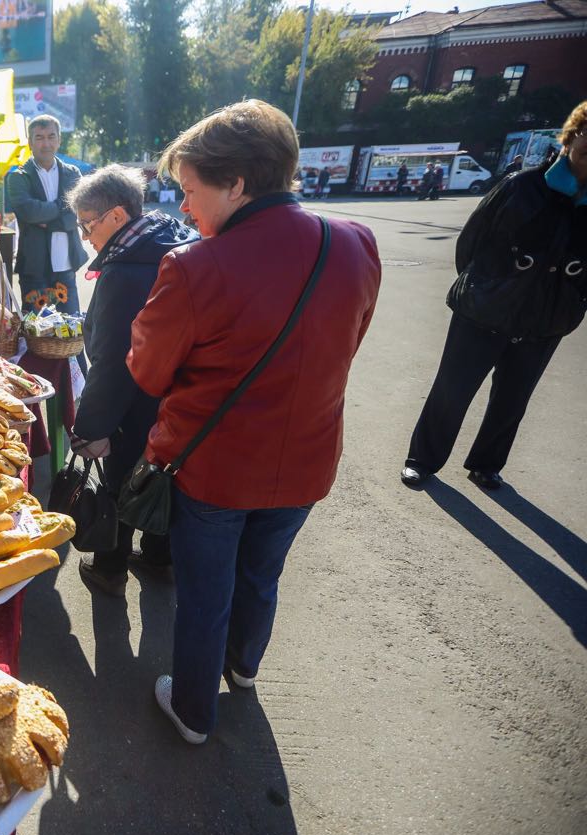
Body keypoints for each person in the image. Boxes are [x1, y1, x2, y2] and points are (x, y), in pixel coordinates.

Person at [127, 100, 381, 744]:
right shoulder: (352, 242)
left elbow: (148, 373)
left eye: (190, 191)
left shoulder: (193, 266)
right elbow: (348, 345)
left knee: (204, 597)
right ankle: (243, 669)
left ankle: (192, 710)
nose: (183, 207)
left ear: (236, 183)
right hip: (308, 459)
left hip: (215, 468)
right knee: (262, 575)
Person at [401, 101, 587, 491]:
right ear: (571, 137)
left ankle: (486, 464)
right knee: (452, 390)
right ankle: (422, 459)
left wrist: (572, 302)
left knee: (512, 401)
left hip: (545, 321)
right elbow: (471, 242)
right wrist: (483, 288)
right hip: (483, 311)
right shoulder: (523, 186)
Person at [65, 165, 198, 596]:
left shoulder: (125, 271)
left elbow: (112, 361)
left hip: (135, 402)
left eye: (88, 224)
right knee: (167, 475)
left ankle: (110, 566)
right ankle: (160, 557)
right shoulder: (176, 239)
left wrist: (91, 429)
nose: (86, 237)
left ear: (118, 217)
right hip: (181, 400)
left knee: (122, 478)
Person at [6, 115, 88, 313]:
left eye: (51, 136)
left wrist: (48, 221)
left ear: (59, 140)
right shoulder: (18, 177)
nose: (46, 143)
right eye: (39, 137)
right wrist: (62, 204)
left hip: (66, 265)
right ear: (30, 142)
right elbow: (29, 213)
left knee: (72, 333)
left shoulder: (73, 173)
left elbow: (76, 213)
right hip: (34, 268)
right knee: (36, 334)